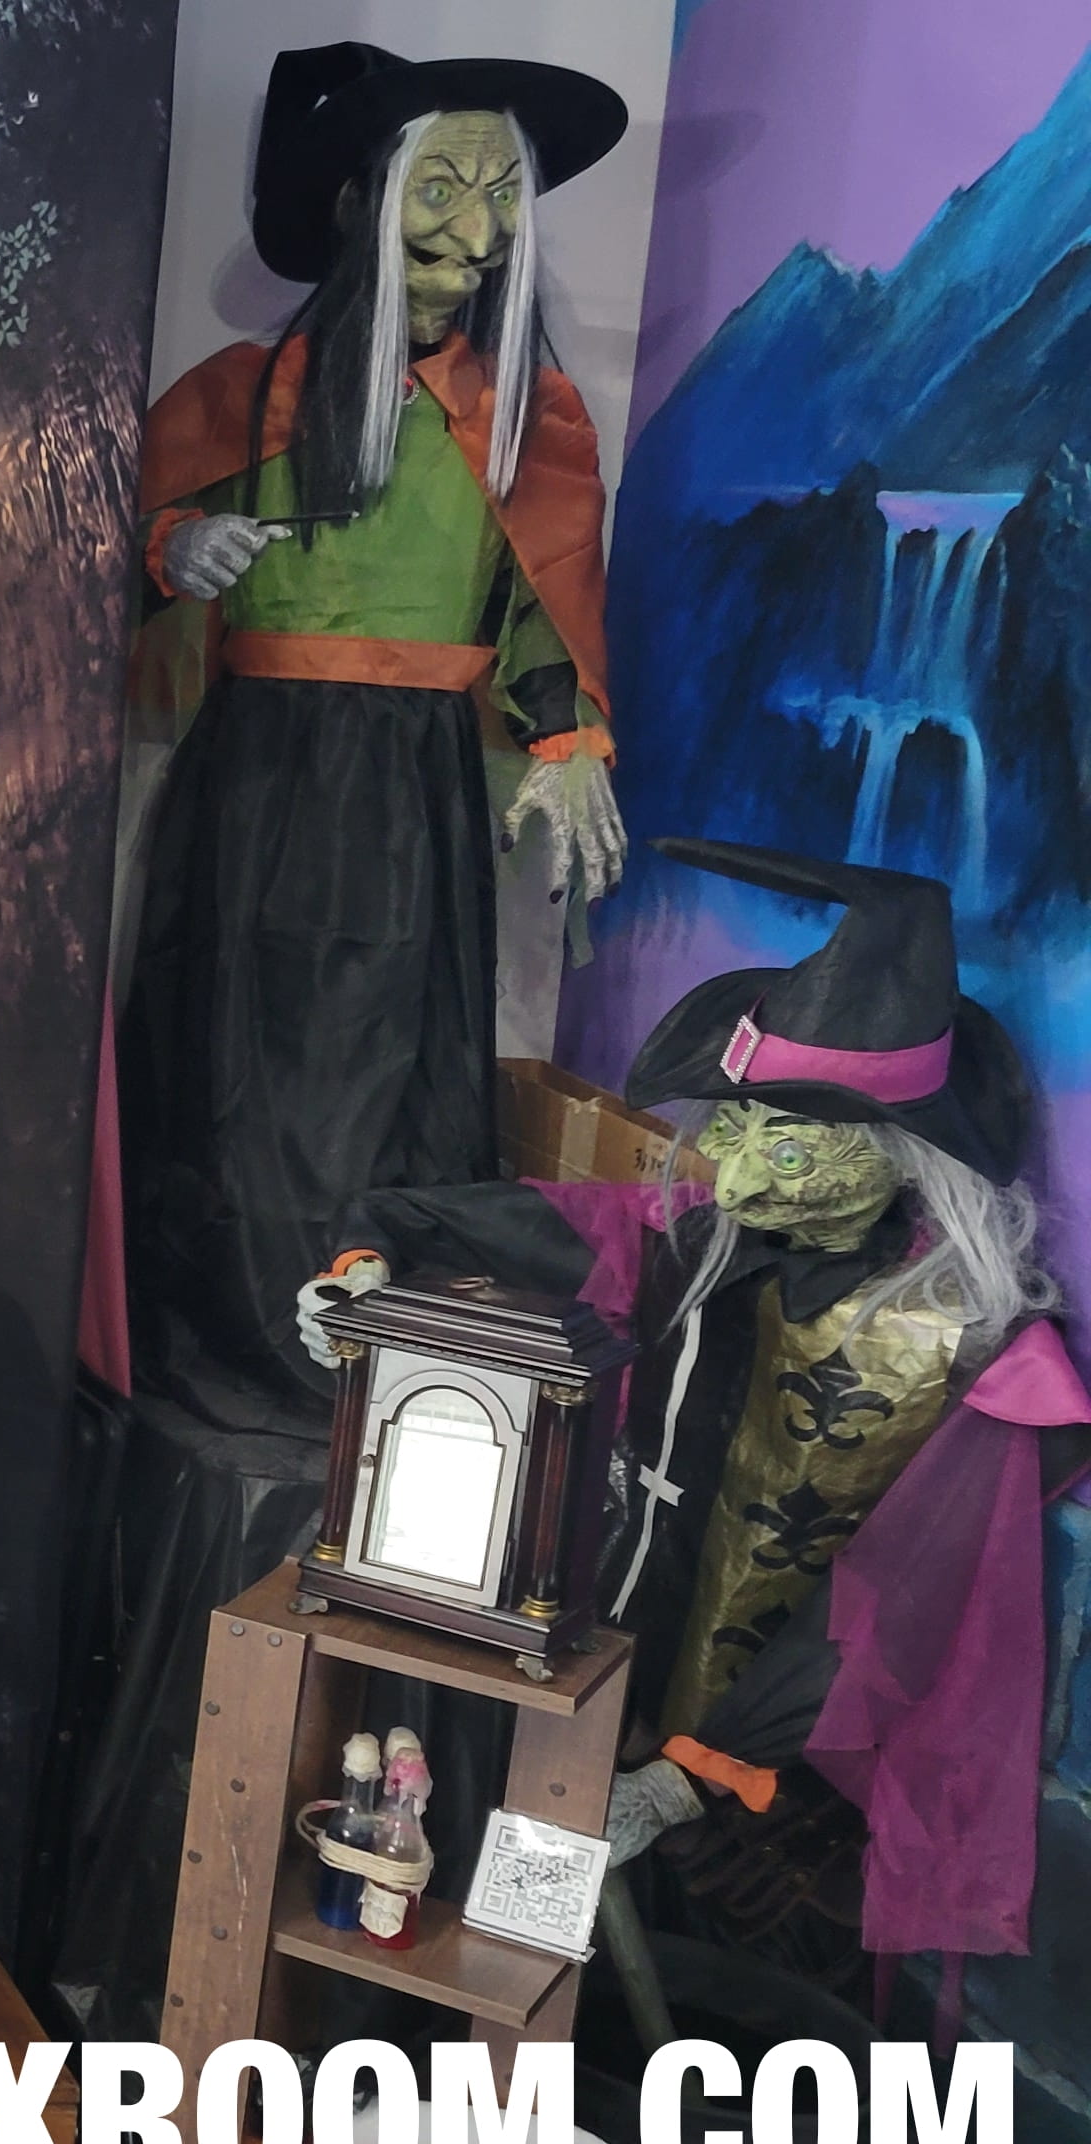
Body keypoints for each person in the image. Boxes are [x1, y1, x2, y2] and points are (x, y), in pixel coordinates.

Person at [298, 840, 1082, 2005]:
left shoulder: (969, 1356)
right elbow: (442, 1221)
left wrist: (685, 1781)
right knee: (517, 1965)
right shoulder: (692, 1238)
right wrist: (360, 1278)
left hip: (771, 1791)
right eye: (734, 1129)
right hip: (593, 1694)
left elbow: (896, 1616)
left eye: (790, 1147)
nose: (742, 1178)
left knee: (710, 2020)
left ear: (905, 1157)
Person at [122, 41, 632, 1424]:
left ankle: (368, 1340)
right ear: (363, 200)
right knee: (238, 1054)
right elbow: (122, 541)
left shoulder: (525, 422)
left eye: (502, 192)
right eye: (442, 187)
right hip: (261, 776)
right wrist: (178, 547)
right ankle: (235, 1337)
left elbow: (543, 602)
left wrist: (565, 743)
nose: (478, 232)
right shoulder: (247, 395)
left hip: (416, 794)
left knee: (392, 1061)